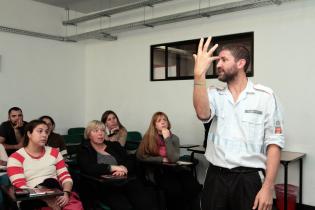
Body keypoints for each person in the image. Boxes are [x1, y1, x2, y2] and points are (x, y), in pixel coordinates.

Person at [192, 36, 284, 210]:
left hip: (249, 179)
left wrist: (267, 188)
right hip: (216, 177)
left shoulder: (264, 96)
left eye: (224, 60)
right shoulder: (213, 94)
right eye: (217, 60)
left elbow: (274, 144)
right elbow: (202, 113)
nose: (218, 64)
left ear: (241, 63)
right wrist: (199, 75)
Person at [77, 120, 158, 210]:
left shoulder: (114, 145)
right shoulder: (84, 150)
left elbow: (130, 159)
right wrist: (112, 168)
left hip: (125, 181)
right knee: (124, 207)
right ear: (89, 134)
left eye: (102, 131)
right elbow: (89, 167)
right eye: (96, 131)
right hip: (104, 186)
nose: (100, 133)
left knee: (146, 203)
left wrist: (124, 167)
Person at [7, 120, 83, 210]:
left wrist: (66, 193)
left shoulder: (54, 152)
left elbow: (65, 177)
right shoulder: (15, 157)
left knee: (75, 206)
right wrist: (46, 198)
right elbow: (20, 186)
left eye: (46, 132)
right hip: (32, 198)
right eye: (40, 131)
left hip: (57, 193)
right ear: (29, 134)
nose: (44, 135)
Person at [137, 111, 202, 210]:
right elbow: (140, 156)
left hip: (174, 168)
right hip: (158, 170)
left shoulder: (174, 138)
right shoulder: (148, 138)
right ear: (154, 125)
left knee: (192, 185)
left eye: (165, 120)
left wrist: (167, 138)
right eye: (159, 121)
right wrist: (161, 159)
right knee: (174, 189)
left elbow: (173, 158)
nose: (163, 122)